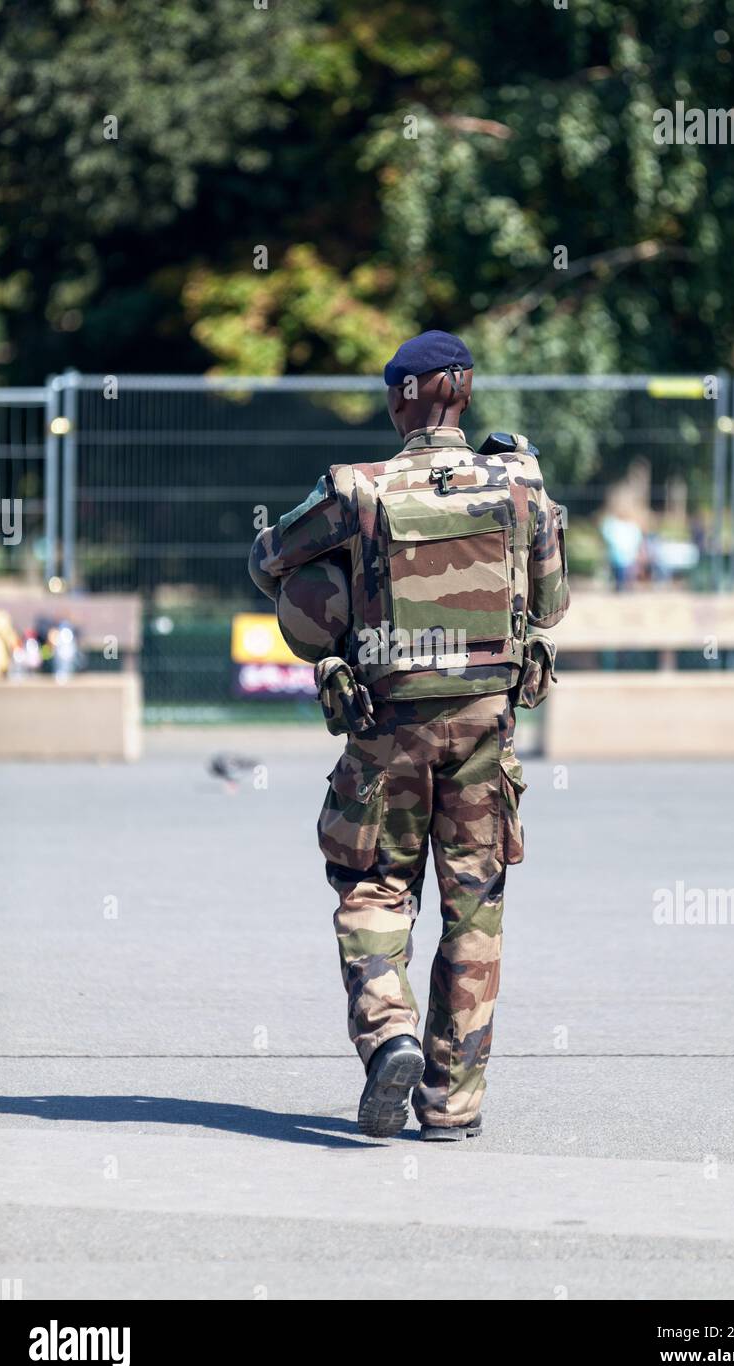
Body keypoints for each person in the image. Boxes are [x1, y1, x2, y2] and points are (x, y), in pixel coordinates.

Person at [249, 330, 569, 1140]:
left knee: (373, 890)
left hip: (386, 729)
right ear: (462, 394)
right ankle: (450, 1103)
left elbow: (269, 560)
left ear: (405, 397)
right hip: (484, 729)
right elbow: (554, 601)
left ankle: (389, 1031)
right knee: (475, 911)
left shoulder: (357, 488)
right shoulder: (520, 481)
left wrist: (341, 597)